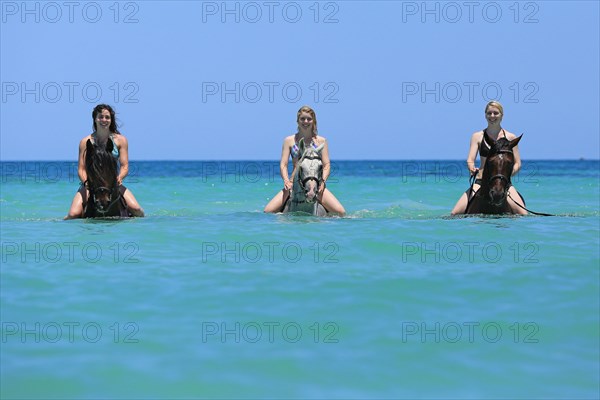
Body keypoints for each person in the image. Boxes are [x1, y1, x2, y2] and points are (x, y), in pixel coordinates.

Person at [64, 104, 144, 219]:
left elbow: (125, 166)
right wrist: (87, 183)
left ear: (111, 120)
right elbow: (81, 169)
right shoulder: (85, 142)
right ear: (95, 119)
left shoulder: (121, 140)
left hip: (112, 183)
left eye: (107, 117)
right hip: (90, 184)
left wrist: (119, 178)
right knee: (73, 214)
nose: (104, 120)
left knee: (137, 209)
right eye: (100, 117)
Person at [264, 105, 345, 216]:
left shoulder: (321, 141)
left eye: (309, 119)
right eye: (302, 119)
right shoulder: (289, 141)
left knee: (341, 212)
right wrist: (286, 181)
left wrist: (323, 182)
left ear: (313, 121)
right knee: (268, 211)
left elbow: (326, 165)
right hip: (293, 183)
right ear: (297, 121)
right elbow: (283, 164)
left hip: (317, 183)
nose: (305, 121)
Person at [451, 101, 527, 215]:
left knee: (523, 213)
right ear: (485, 115)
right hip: (481, 182)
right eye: (489, 113)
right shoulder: (477, 136)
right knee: (455, 213)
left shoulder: (511, 137)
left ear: (502, 115)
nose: (492, 116)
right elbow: (470, 160)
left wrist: (505, 175)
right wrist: (471, 168)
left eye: (495, 113)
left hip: (504, 184)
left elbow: (518, 163)